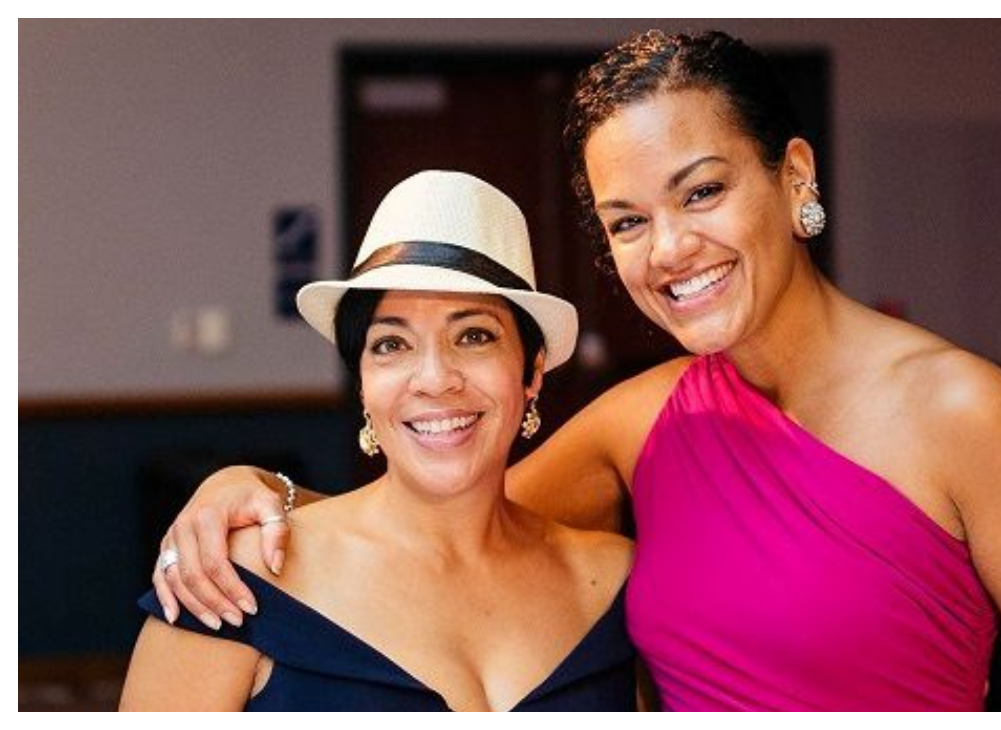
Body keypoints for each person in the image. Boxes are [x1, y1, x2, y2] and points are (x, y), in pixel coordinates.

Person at [150, 31, 1001, 710]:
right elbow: (431, 540)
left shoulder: (964, 411)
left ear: (793, 175)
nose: (668, 248)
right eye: (628, 221)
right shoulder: (642, 425)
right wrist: (252, 489)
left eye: (702, 191)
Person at [119, 170, 635, 711]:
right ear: (363, 385)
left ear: (531, 373)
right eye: (392, 344)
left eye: (474, 336)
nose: (435, 378)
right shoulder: (233, 577)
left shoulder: (614, 583)